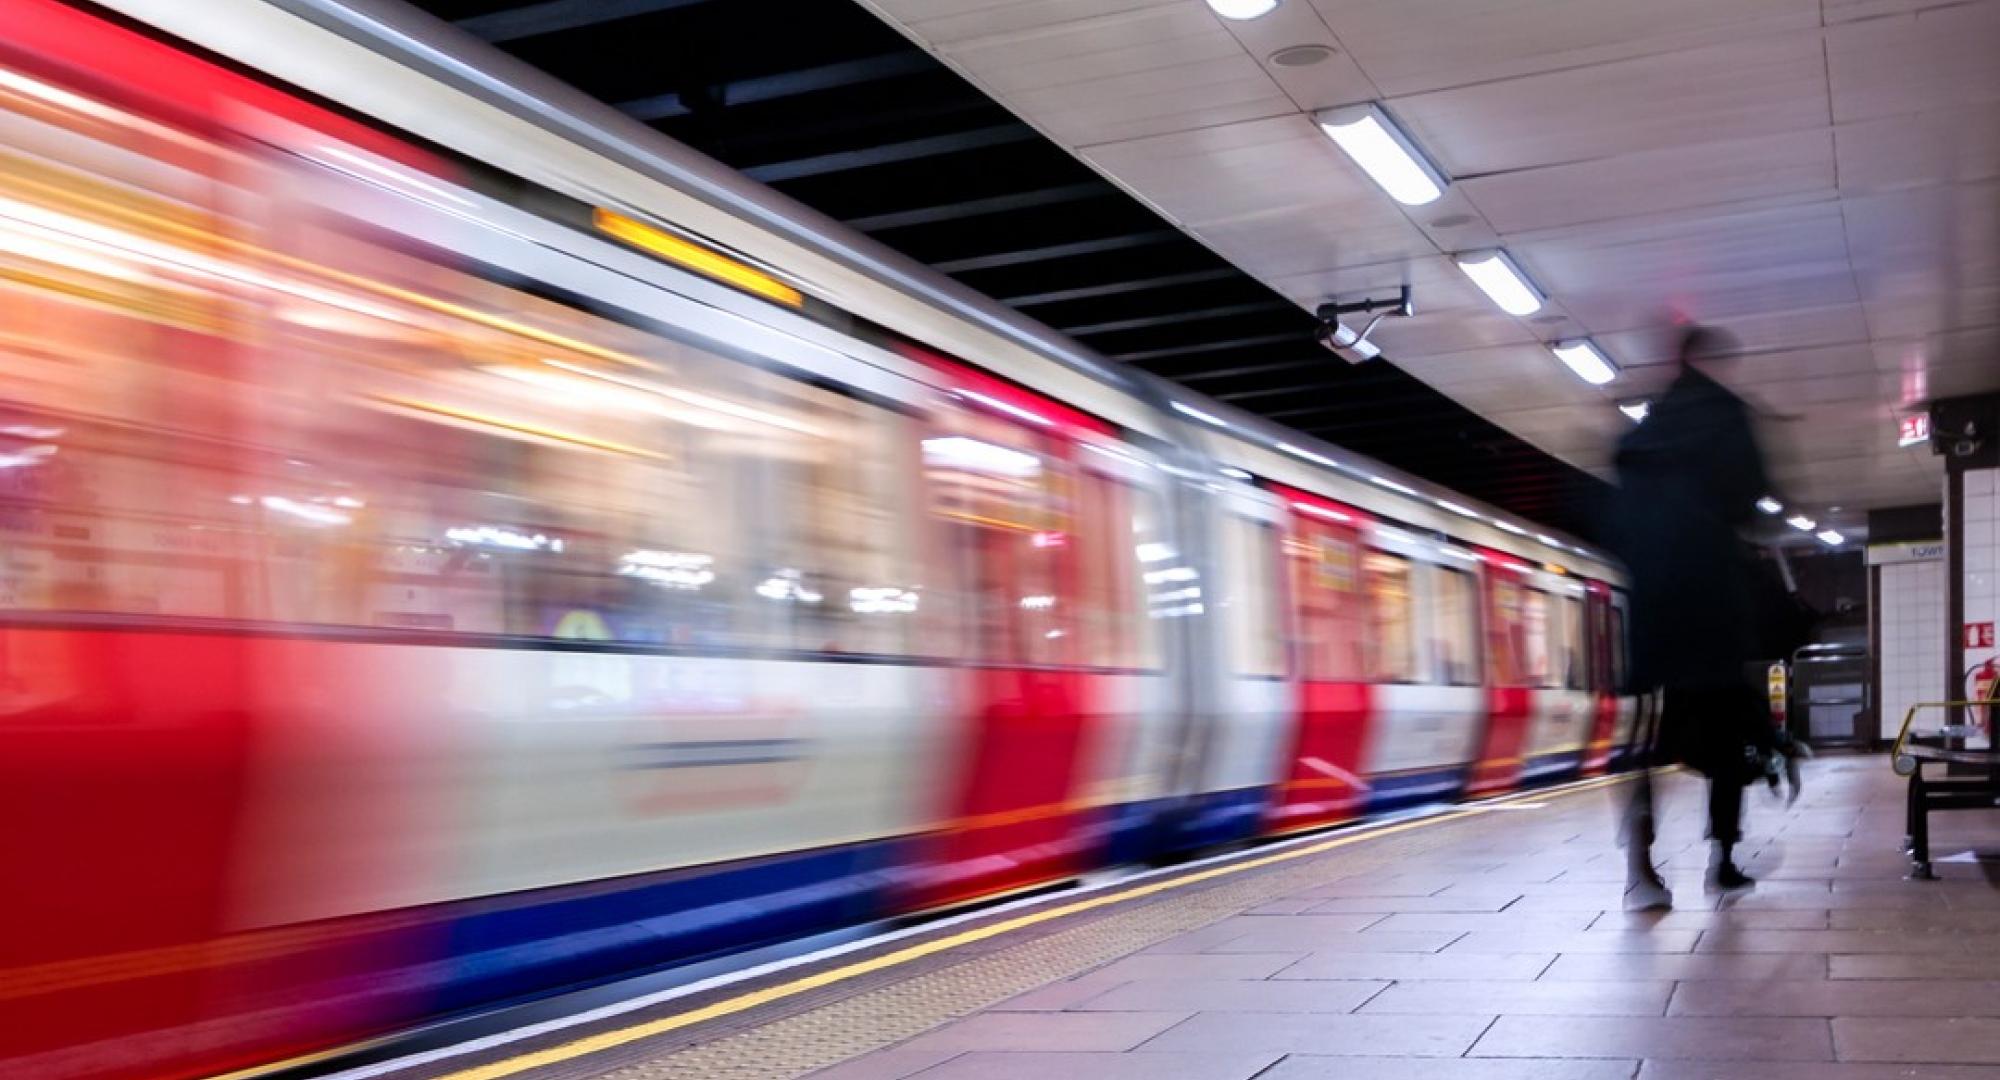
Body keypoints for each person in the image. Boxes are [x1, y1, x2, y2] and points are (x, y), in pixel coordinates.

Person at [1605, 325, 1781, 908]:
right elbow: (1751, 498)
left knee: (1643, 746)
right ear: (1709, 360)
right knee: (1728, 741)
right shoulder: (1728, 419)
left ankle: (1640, 869)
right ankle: (1723, 860)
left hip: (1655, 614)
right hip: (1711, 607)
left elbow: (1618, 519)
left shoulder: (1641, 436)